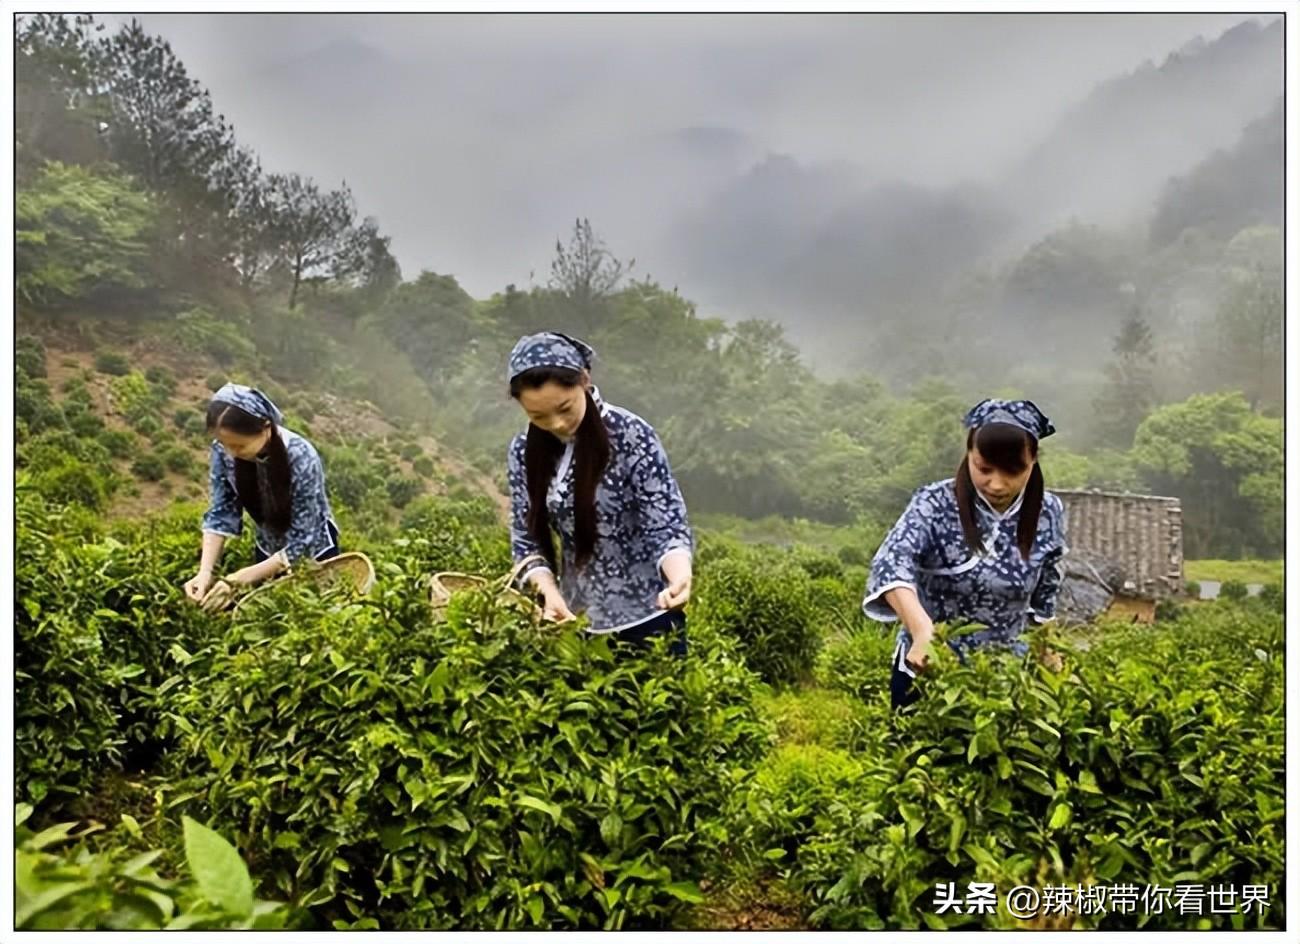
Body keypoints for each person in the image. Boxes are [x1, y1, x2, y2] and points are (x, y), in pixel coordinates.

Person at [863, 398, 1068, 709]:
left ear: (1033, 460)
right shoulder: (934, 503)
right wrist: (922, 631)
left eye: (1013, 471)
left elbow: (1043, 601)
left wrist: (1053, 671)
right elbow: (891, 564)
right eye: (984, 469)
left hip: (1006, 685)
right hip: (928, 674)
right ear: (968, 453)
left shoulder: (1048, 512)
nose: (996, 484)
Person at [505, 331, 693, 654]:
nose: (557, 424)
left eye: (565, 408)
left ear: (584, 380)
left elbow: (665, 523)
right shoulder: (523, 450)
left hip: (649, 623)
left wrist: (679, 575)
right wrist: (549, 594)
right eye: (538, 417)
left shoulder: (631, 435)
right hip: (574, 627)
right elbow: (526, 541)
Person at [183, 383, 340, 611]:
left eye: (239, 446)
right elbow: (221, 511)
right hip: (268, 548)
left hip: (314, 549)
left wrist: (239, 579)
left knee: (315, 614)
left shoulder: (301, 457)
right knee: (271, 615)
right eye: (225, 445)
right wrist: (204, 572)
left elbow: (303, 539)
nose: (230, 453)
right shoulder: (223, 450)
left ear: (266, 427)